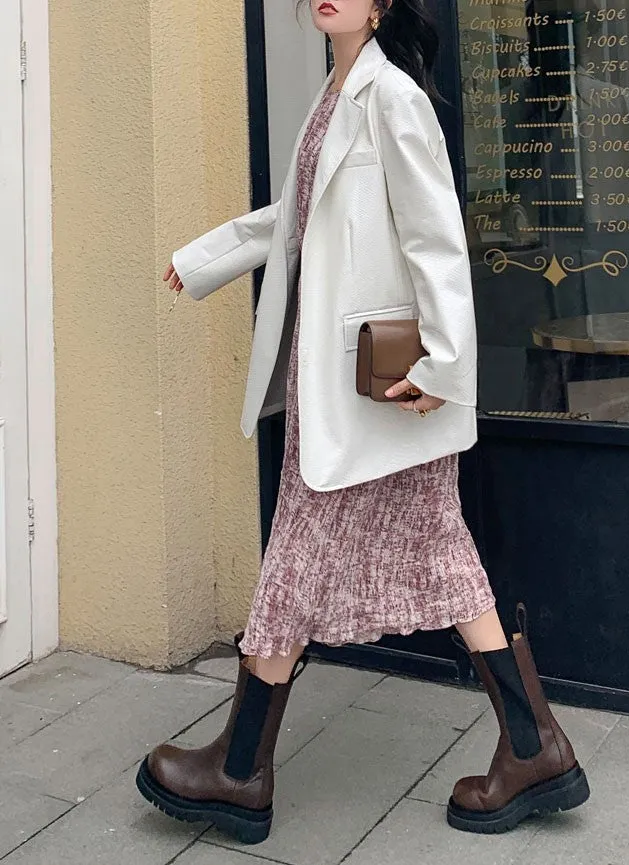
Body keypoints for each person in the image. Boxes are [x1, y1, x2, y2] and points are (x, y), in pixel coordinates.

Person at [135, 0, 589, 845]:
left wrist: (445, 366)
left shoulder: (392, 97)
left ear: (382, 4)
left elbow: (437, 239)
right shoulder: (334, 93)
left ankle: (239, 770)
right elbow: (296, 218)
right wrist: (206, 258)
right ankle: (536, 747)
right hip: (346, 381)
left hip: (381, 383)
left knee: (297, 553)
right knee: (441, 553)